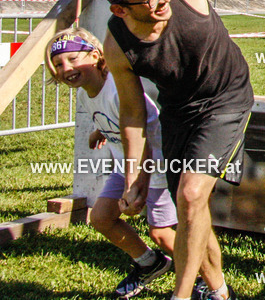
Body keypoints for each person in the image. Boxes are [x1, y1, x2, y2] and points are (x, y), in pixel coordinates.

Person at [98, 0, 265, 300]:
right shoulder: (117, 44)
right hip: (178, 112)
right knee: (192, 212)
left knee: (190, 195)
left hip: (226, 99)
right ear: (121, 10)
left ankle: (181, 295)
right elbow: (132, 112)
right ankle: (218, 290)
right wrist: (134, 173)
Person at [46, 27, 176, 299]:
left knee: (162, 234)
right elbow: (108, 117)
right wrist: (99, 132)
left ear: (95, 56)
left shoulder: (118, 90)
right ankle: (150, 263)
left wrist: (135, 183)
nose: (65, 67)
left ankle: (206, 275)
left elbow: (143, 134)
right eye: (58, 64)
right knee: (102, 218)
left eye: (72, 59)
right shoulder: (87, 92)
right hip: (125, 163)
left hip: (154, 166)